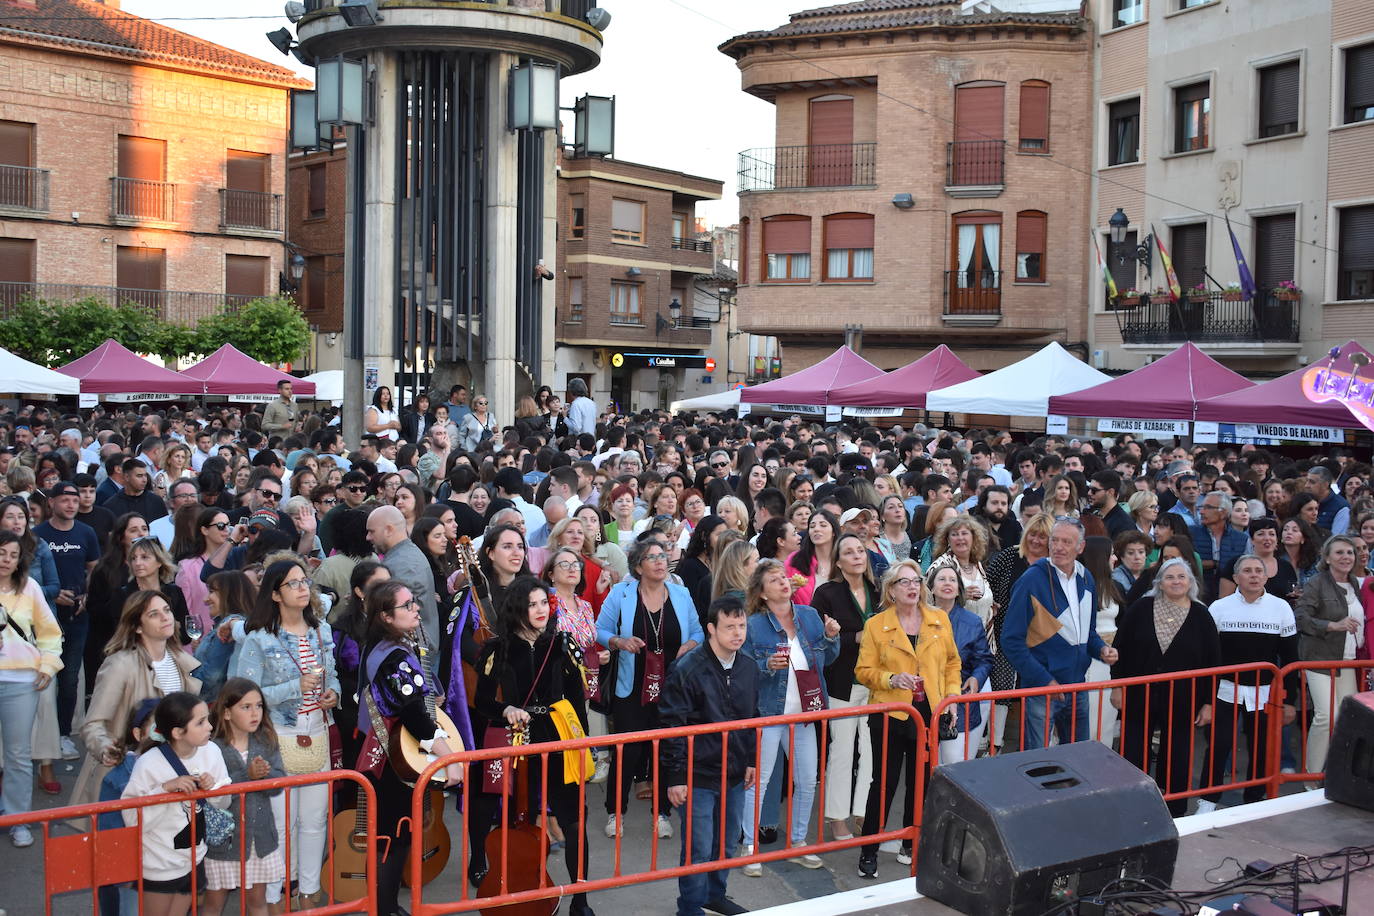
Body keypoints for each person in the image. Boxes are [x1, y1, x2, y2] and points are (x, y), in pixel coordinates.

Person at [472, 576, 593, 916]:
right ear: (517, 609)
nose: (540, 610)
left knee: (573, 820)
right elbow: (482, 702)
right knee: (512, 820)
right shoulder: (497, 649)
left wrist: (582, 743)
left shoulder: (562, 644)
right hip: (517, 741)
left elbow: (577, 701)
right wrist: (505, 709)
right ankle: (510, 890)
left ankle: (581, 898)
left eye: (544, 603)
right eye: (532, 604)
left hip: (557, 737)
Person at [236, 559, 340, 908]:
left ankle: (309, 893)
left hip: (318, 733)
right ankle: (276, 894)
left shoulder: (321, 630)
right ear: (276, 595)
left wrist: (334, 693)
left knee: (314, 822)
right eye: (292, 583)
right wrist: (294, 687)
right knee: (280, 826)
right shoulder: (259, 638)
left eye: (304, 581)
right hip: (276, 736)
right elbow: (243, 696)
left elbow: (334, 674)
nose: (302, 588)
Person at [356, 580, 464, 916]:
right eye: (406, 605)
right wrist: (451, 759)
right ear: (386, 616)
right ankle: (384, 908)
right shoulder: (393, 656)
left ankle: (386, 905)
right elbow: (414, 716)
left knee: (395, 833)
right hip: (393, 760)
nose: (415, 608)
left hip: (390, 754)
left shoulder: (387, 647)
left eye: (413, 602)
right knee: (394, 835)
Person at [854, 560, 960, 878]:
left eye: (917, 581)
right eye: (905, 582)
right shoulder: (876, 625)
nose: (913, 587)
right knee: (883, 784)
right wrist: (890, 679)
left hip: (929, 713)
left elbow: (953, 664)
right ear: (891, 590)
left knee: (921, 783)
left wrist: (951, 698)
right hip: (890, 714)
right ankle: (869, 850)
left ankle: (911, 845)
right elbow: (863, 671)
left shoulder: (939, 620)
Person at [595, 537, 704, 839]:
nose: (660, 561)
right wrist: (619, 641)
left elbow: (698, 631)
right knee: (627, 751)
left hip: (673, 684)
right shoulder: (621, 593)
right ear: (638, 566)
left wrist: (690, 645)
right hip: (631, 686)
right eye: (651, 557)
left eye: (662, 556)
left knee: (667, 749)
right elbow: (600, 630)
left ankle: (663, 813)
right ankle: (615, 812)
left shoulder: (681, 594)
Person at [738, 559, 840, 874]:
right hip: (769, 713)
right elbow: (741, 670)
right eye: (773, 579)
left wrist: (831, 637)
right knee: (760, 781)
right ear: (763, 593)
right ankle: (749, 847)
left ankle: (798, 843)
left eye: (783, 577)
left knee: (807, 780)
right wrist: (766, 666)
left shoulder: (808, 616)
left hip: (804, 714)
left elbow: (826, 660)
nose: (783, 582)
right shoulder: (753, 625)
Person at [661, 595, 758, 916]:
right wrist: (675, 777)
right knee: (698, 848)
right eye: (730, 626)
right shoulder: (688, 668)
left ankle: (714, 894)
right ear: (711, 629)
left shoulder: (747, 667)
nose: (737, 633)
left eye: (742, 625)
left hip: (733, 772)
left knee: (727, 843)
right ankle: (688, 908)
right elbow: (670, 723)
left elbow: (752, 717)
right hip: (696, 774)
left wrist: (750, 760)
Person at [72, 590, 202, 809]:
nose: (165, 617)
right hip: (130, 773)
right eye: (154, 614)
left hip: (174, 768)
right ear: (138, 626)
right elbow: (93, 725)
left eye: (167, 610)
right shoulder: (120, 665)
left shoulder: (182, 661)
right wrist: (107, 749)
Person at [1111, 558, 1221, 816]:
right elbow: (1121, 646)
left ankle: (1173, 808)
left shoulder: (1201, 614)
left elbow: (1213, 661)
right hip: (1139, 692)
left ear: (1191, 582)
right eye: (1170, 577)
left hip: (1183, 696)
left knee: (1177, 752)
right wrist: (1118, 686)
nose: (1176, 581)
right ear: (1160, 582)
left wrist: (1208, 702)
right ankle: (1132, 802)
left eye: (1182, 577)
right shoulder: (1141, 608)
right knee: (1133, 749)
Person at [1001, 518, 1118, 750]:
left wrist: (1101, 650)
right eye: (1055, 540)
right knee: (1037, 763)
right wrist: (1044, 680)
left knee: (1076, 759)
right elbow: (1010, 640)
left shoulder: (1086, 578)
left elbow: (1087, 633)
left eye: (1067, 541)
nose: (1059, 547)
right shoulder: (1030, 580)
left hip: (1077, 686)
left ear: (1080, 547)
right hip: (1041, 689)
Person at [1196, 554, 1299, 814]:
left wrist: (1289, 701)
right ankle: (1207, 800)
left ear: (1266, 576)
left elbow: (1290, 659)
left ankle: (1255, 799)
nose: (1253, 575)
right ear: (1235, 578)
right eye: (1247, 571)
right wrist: (1205, 698)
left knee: (1261, 747)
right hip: (1224, 691)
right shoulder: (1218, 608)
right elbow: (1208, 657)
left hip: (1264, 693)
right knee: (1219, 746)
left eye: (1258, 571)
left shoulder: (1281, 608)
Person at [120, 691, 232, 916]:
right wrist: (164, 789)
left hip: (194, 858)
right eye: (200, 722)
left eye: (207, 719)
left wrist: (212, 789)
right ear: (178, 732)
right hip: (158, 864)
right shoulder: (149, 764)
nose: (210, 726)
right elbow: (131, 817)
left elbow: (224, 802)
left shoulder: (212, 752)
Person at [809, 532, 879, 842]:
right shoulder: (827, 593)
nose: (857, 556)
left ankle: (864, 811)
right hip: (841, 682)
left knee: (872, 750)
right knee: (841, 751)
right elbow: (817, 637)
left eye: (860, 551)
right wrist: (854, 638)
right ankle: (837, 818)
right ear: (838, 562)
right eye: (849, 552)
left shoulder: (879, 590)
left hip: (876, 682)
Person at [0, 529, 63, 848]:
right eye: (2, 552)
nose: (7, 560)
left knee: (18, 754)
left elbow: (51, 633)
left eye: (13, 554)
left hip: (21, 682)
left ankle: (17, 819)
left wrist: (48, 665)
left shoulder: (30, 588)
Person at [205, 678, 287, 916]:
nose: (255, 713)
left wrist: (266, 775)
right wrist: (247, 776)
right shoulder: (213, 747)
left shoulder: (266, 741)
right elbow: (214, 792)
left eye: (259, 706)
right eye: (246, 707)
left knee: (257, 901)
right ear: (227, 713)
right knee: (213, 903)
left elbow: (278, 785)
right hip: (223, 843)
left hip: (259, 839)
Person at [34, 480, 100, 760]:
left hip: (77, 615)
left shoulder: (86, 533)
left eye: (75, 499)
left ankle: (62, 734)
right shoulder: (38, 535)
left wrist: (87, 596)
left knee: (71, 678)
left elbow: (94, 570)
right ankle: (39, 736)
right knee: (43, 679)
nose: (72, 504)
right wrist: (51, 596)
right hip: (44, 617)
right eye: (65, 499)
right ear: (51, 502)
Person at [1294, 534, 1366, 774]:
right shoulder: (1317, 582)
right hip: (1319, 659)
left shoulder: (1355, 583)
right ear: (1327, 557)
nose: (1346, 557)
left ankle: (1336, 772)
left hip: (1348, 660)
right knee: (1327, 717)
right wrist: (1333, 625)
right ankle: (1311, 777)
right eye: (1339, 552)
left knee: (1347, 718)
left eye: (1349, 552)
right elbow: (1301, 617)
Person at [924, 558, 993, 764]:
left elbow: (984, 659)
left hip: (960, 700)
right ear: (932, 588)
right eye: (942, 579)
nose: (947, 583)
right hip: (925, 702)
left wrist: (976, 678)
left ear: (958, 589)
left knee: (955, 764)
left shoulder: (972, 622)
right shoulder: (918, 618)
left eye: (952, 580)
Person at [368, 504, 439, 643]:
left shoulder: (401, 564)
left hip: (415, 652)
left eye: (372, 531)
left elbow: (398, 615)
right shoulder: (405, 556)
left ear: (388, 530)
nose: (368, 537)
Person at [1190, 491, 1249, 601]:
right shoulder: (1190, 533)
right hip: (1197, 597)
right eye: (1201, 507)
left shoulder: (1242, 539)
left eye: (1208, 507)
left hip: (1230, 599)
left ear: (1223, 513)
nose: (1202, 511)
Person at [784, 509, 837, 606]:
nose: (816, 529)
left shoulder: (843, 559)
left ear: (834, 531)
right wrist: (787, 592)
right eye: (812, 526)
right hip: (804, 618)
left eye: (823, 525)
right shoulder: (795, 560)